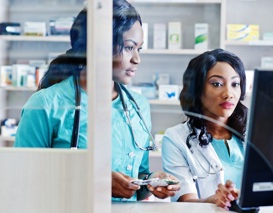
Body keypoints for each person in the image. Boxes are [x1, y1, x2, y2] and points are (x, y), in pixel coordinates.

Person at [14, 0, 179, 202]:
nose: (137, 59)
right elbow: (23, 181)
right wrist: (93, 182)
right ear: (97, 46)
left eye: (139, 49)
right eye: (129, 48)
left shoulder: (138, 106)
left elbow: (139, 176)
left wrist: (152, 182)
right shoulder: (44, 105)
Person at [161, 48, 248, 210]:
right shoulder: (175, 138)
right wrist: (214, 200)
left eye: (235, 84)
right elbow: (185, 202)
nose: (229, 93)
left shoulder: (253, 135)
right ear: (197, 89)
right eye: (217, 84)